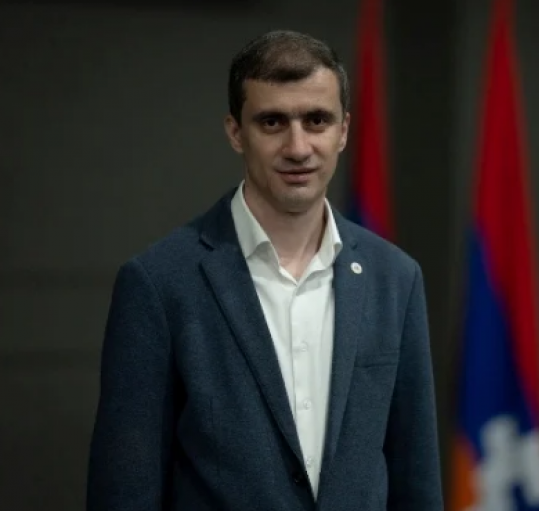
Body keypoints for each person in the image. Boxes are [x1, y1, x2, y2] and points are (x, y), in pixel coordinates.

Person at [86, 30, 443, 511]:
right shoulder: (159, 283)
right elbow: (124, 491)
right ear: (236, 132)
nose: (298, 147)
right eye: (272, 122)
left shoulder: (396, 278)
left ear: (343, 131)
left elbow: (416, 481)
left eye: (317, 120)